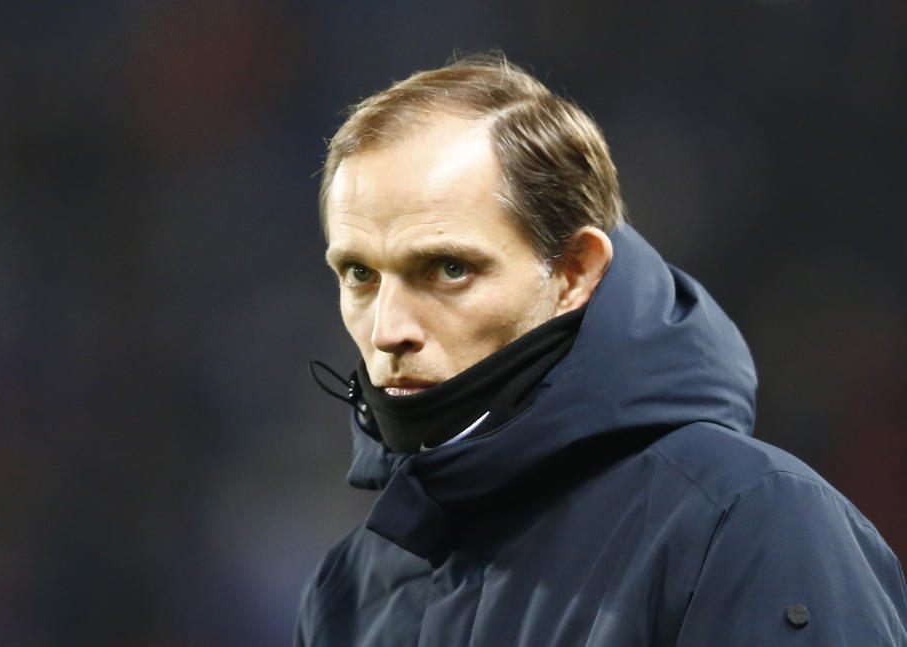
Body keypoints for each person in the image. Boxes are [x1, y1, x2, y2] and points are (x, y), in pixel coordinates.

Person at [296, 55, 907, 646]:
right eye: (359, 274)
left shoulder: (750, 523)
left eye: (449, 268)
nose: (388, 329)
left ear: (573, 272)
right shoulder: (350, 591)